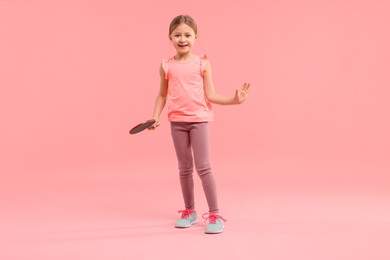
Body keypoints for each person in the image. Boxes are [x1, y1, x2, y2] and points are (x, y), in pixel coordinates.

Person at [149, 14, 250, 234]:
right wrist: (155, 116)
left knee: (203, 167)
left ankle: (215, 214)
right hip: (176, 123)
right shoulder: (166, 66)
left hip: (199, 121)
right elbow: (161, 94)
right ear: (170, 37)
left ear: (196, 37)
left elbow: (211, 94)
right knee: (184, 169)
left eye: (187, 34)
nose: (182, 39)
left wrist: (234, 100)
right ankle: (189, 211)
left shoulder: (202, 63)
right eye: (177, 35)